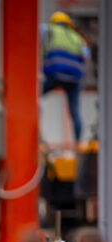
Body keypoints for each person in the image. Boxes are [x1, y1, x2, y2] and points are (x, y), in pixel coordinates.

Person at [41, 11, 90, 143]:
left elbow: (34, 37)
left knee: (33, 97)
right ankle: (78, 142)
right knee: (75, 110)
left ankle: (35, 130)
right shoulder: (77, 37)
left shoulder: (48, 30)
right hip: (75, 76)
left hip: (56, 72)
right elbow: (86, 56)